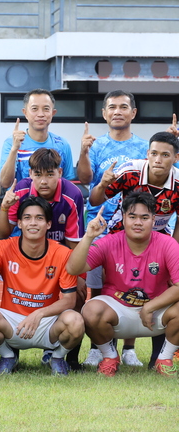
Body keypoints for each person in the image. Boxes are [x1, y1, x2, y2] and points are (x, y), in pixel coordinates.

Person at [67, 192, 179, 377]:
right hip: (119, 311)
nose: (138, 222)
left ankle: (165, 359)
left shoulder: (168, 244)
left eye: (144, 217)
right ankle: (110, 357)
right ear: (124, 218)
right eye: (132, 217)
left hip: (156, 313)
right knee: (91, 310)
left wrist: (150, 306)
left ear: (153, 220)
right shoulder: (109, 242)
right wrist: (88, 237)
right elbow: (73, 268)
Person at [0, 196, 84, 375]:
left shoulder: (63, 253)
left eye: (39, 218)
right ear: (19, 223)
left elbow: (69, 300)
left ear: (48, 224)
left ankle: (57, 357)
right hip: (12, 323)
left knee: (76, 321)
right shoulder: (2, 247)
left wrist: (38, 314)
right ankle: (8, 356)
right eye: (27, 218)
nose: (33, 223)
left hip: (46, 322)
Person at [77, 90, 148, 368]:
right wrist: (84, 151)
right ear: (104, 113)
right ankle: (99, 347)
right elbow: (84, 179)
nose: (118, 111)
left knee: (133, 286)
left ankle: (129, 349)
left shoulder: (145, 147)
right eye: (112, 107)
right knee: (98, 289)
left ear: (133, 112)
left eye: (123, 107)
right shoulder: (96, 146)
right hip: (101, 229)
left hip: (133, 230)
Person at [89, 131, 179, 242]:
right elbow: (94, 201)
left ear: (176, 158)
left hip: (159, 234)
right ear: (148, 154)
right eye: (154, 153)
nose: (158, 160)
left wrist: (175, 248)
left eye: (165, 155)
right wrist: (102, 185)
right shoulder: (129, 171)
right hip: (122, 230)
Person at [0, 148, 84, 247]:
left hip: (60, 250)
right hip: (27, 249)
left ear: (60, 172)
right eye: (38, 175)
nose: (43, 182)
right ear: (30, 173)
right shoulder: (21, 190)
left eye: (50, 175)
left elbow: (73, 244)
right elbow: (2, 234)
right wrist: (4, 207)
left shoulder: (73, 195)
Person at [0, 89, 76, 190]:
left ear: (53, 113)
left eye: (46, 109)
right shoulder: (11, 143)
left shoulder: (62, 144)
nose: (40, 114)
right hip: (20, 199)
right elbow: (5, 183)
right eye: (34, 109)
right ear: (25, 113)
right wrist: (14, 149)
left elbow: (68, 184)